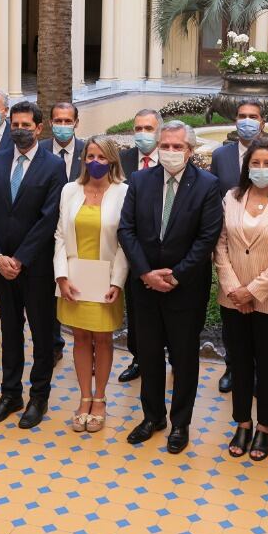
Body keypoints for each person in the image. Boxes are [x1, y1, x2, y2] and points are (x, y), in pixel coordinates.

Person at [118, 121, 223, 454]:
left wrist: (176, 275)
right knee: (148, 355)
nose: (171, 151)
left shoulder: (207, 185)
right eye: (166, 145)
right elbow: (126, 230)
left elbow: (207, 237)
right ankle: (152, 417)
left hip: (185, 289)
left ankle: (180, 423)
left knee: (184, 358)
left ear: (190, 150)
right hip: (145, 287)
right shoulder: (139, 180)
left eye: (178, 147)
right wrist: (146, 273)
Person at [213, 137, 268, 463]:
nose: (261, 169)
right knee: (239, 363)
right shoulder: (231, 198)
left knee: (267, 365)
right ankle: (242, 423)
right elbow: (220, 246)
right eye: (255, 163)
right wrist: (236, 289)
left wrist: (253, 291)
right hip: (232, 299)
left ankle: (264, 427)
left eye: (267, 164)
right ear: (246, 166)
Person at [0, 101, 65, 429]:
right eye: (15, 124)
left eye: (27, 125)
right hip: (1, 266)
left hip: (36, 267)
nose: (20, 130)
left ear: (39, 128)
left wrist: (21, 258)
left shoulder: (53, 165)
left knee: (43, 336)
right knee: (10, 333)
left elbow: (49, 217)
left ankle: (38, 397)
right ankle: (10, 393)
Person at [208, 99, 268, 394]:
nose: (246, 120)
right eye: (242, 116)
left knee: (266, 351)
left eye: (253, 116)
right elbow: (217, 220)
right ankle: (232, 368)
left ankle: (259, 380)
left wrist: (254, 289)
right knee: (235, 337)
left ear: (263, 122)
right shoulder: (220, 156)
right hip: (232, 259)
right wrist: (234, 286)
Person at [54, 136, 129, 432]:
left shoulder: (124, 192)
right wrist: (61, 276)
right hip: (74, 280)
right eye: (89, 156)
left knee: (103, 338)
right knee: (81, 338)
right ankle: (84, 396)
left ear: (112, 161)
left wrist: (117, 281)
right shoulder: (69, 190)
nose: (94, 162)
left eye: (101, 157)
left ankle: (100, 398)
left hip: (107, 281)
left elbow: (126, 242)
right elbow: (60, 235)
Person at [115, 108, 163, 384]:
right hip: (132, 251)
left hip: (166, 252)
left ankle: (171, 358)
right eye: (138, 128)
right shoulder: (123, 160)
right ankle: (138, 358)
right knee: (135, 311)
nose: (142, 134)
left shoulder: (170, 159)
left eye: (148, 128)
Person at [41, 100, 85, 362]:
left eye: (68, 121)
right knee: (47, 293)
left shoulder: (88, 152)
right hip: (45, 235)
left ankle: (85, 344)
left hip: (79, 237)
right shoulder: (41, 151)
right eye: (58, 121)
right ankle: (53, 343)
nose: (63, 126)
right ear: (49, 123)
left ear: (76, 123)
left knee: (78, 289)